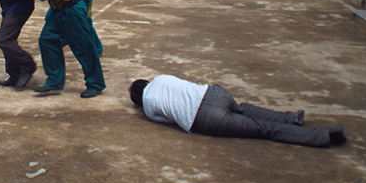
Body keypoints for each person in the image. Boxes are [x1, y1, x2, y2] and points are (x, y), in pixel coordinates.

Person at [129, 74, 347, 148]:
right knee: (244, 110)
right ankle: (292, 117)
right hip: (215, 94)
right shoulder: (161, 78)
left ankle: (323, 136)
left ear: (138, 104)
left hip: (206, 118)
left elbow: (173, 121)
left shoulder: (148, 109)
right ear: (147, 80)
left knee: (263, 130)